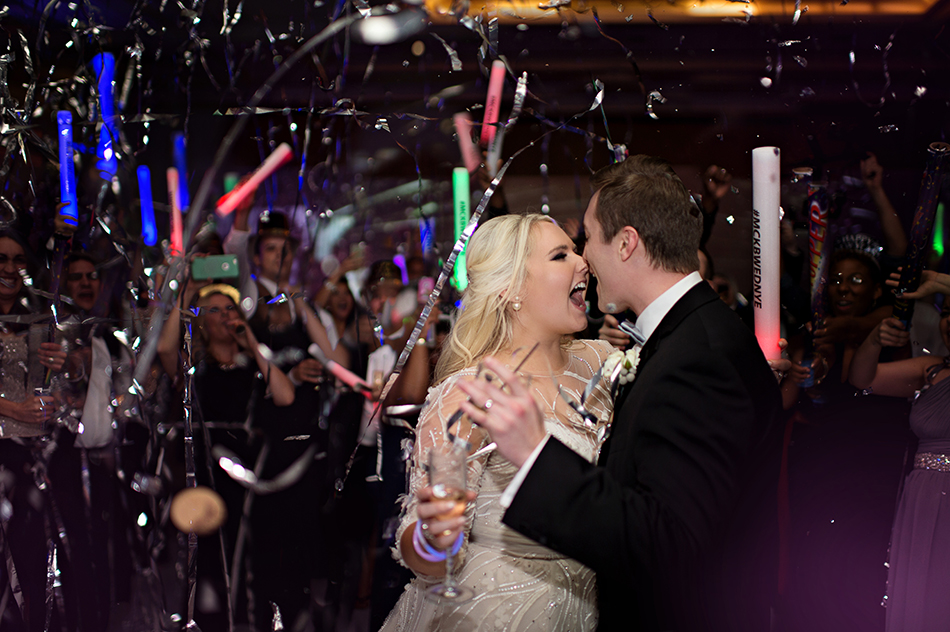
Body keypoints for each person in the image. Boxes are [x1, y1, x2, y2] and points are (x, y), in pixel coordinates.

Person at [458, 155, 783, 632]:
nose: (584, 257)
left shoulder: (698, 358)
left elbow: (667, 543)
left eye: (589, 238)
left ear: (627, 243)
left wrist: (534, 454)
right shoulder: (691, 335)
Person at [380, 213, 616, 631]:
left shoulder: (605, 363)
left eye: (575, 250)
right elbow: (421, 539)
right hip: (489, 615)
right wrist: (433, 540)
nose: (583, 262)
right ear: (511, 289)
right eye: (560, 255)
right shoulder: (470, 392)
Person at [848, 300, 950, 631]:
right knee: (922, 599)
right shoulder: (932, 369)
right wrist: (875, 340)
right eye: (947, 313)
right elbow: (863, 380)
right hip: (924, 498)